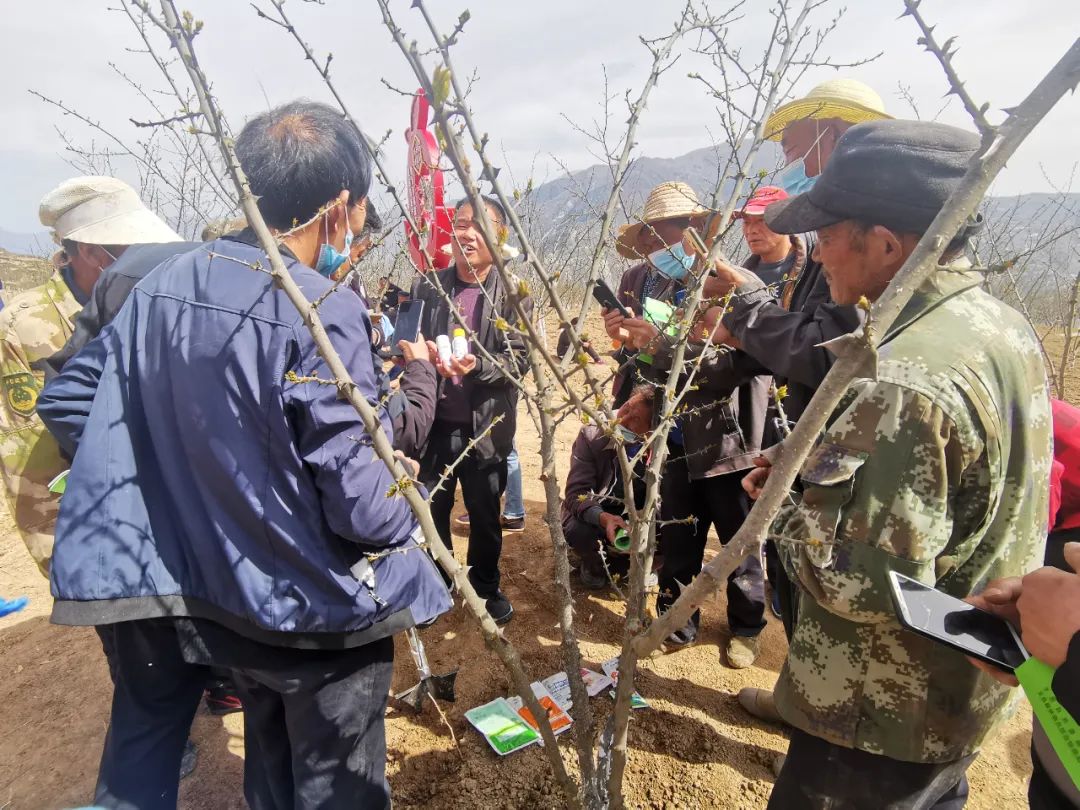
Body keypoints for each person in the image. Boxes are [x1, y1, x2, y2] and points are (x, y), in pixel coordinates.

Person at [38, 99, 450, 810]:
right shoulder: (319, 304)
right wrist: (400, 487)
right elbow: (360, 508)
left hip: (222, 608)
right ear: (341, 204)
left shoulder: (160, 287)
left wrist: (167, 477)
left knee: (271, 769)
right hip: (314, 615)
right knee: (332, 788)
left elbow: (73, 399)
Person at [739, 120, 1052, 808]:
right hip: (947, 699)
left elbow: (864, 585)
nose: (817, 258)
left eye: (825, 237)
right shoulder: (997, 324)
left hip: (874, 715)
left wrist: (786, 503)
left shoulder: (903, 378)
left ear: (885, 244)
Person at [0, 176, 181, 577]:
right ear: (89, 251)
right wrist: (67, 563)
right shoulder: (27, 326)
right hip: (97, 526)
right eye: (130, 248)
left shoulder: (150, 298)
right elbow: (32, 462)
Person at [411, 194, 531, 625]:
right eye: (460, 223)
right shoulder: (429, 285)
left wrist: (478, 364)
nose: (466, 233)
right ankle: (438, 583)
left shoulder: (513, 292)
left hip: (486, 428)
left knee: (484, 515)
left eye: (479, 224)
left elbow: (522, 359)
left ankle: (485, 586)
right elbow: (411, 342)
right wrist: (414, 354)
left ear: (499, 236)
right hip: (435, 427)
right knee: (433, 509)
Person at [605, 181, 705, 407]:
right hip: (636, 393)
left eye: (659, 241)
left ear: (693, 229)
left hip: (683, 404)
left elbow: (714, 359)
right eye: (648, 246)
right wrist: (627, 340)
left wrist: (659, 342)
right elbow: (628, 351)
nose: (653, 252)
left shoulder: (714, 283)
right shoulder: (634, 277)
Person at [561, 385, 654, 588]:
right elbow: (577, 493)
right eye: (626, 408)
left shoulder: (659, 451)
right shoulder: (593, 435)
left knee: (670, 529)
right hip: (598, 511)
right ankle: (592, 563)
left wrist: (642, 522)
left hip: (636, 515)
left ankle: (634, 562)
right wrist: (603, 518)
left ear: (651, 430)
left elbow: (666, 500)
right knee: (580, 531)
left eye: (636, 419)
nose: (622, 420)